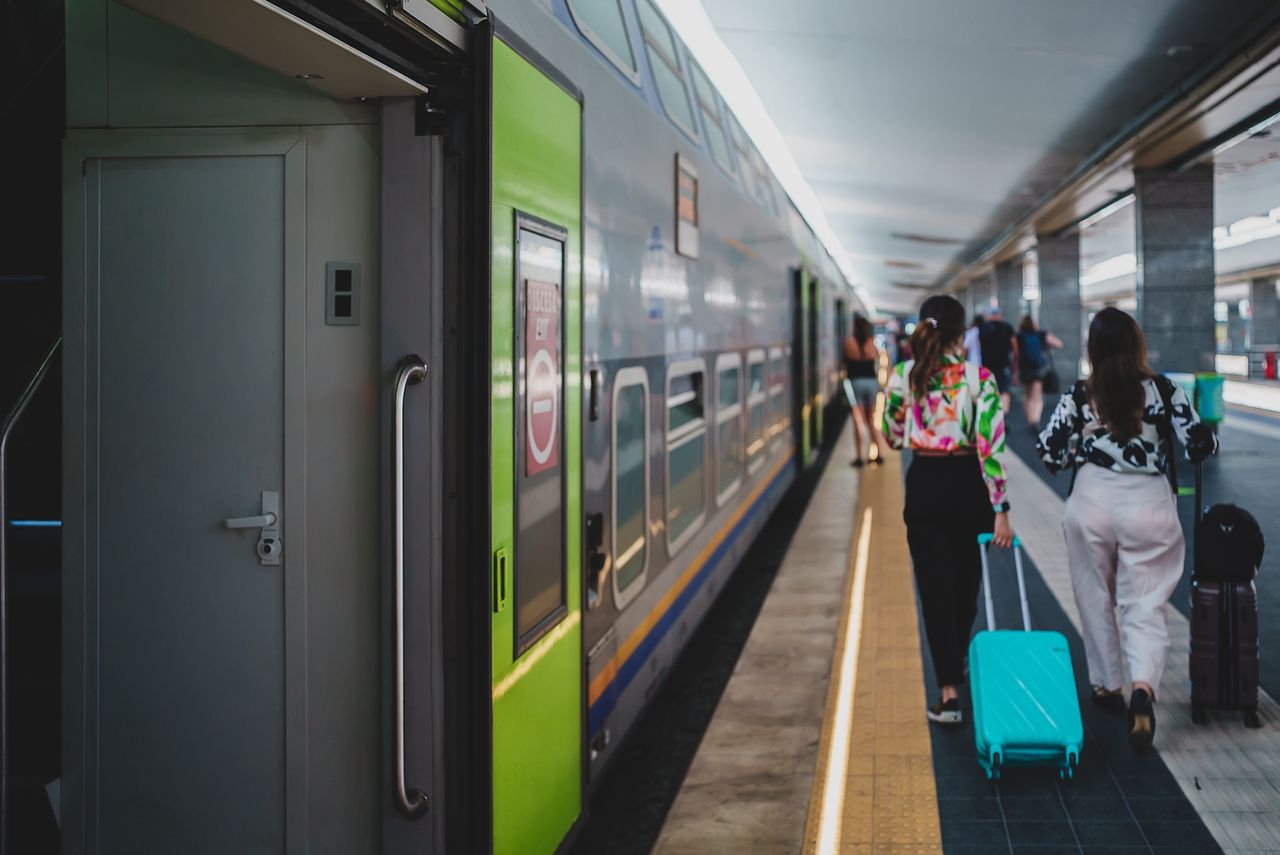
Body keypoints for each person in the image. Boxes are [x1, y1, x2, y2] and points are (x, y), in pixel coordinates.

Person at [1036, 307, 1218, 751]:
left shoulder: (1081, 394)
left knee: (1094, 593)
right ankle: (1142, 688)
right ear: (1138, 345)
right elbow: (1201, 444)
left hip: (1092, 503)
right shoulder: (1163, 390)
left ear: (1092, 349)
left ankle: (1107, 684)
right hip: (1149, 502)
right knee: (1147, 601)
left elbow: (1051, 454)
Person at [883, 295, 1012, 726]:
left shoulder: (905, 375)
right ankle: (955, 660)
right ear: (962, 335)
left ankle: (948, 693)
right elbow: (991, 448)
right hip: (969, 486)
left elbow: (893, 436)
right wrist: (1001, 508)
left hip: (925, 485)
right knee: (965, 587)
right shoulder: (981, 379)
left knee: (934, 590)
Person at [844, 315, 886, 467]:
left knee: (858, 419)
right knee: (871, 419)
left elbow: (844, 360)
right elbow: (877, 358)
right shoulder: (871, 343)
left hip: (855, 383)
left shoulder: (849, 343)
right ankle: (879, 453)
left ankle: (859, 456)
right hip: (871, 382)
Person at [1016, 315, 1064, 430]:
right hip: (1038, 369)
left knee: (1027, 395)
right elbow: (1059, 344)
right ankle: (1035, 420)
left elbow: (1015, 353)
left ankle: (1029, 419)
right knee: (1037, 397)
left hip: (1024, 368)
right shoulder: (1041, 334)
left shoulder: (1019, 336)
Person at [978, 309, 1019, 413]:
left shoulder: (983, 328)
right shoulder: (1007, 327)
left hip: (986, 364)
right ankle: (1003, 414)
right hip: (1003, 364)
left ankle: (991, 413)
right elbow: (1015, 347)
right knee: (1004, 391)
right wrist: (1015, 363)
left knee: (988, 390)